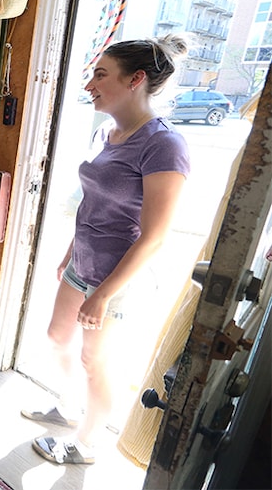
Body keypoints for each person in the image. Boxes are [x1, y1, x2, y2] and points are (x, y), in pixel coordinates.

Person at [24, 35, 191, 465]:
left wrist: (103, 293)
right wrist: (70, 250)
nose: (89, 84)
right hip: (82, 263)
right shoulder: (107, 131)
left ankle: (85, 443)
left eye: (100, 74)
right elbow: (92, 201)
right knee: (57, 337)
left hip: (117, 281)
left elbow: (154, 236)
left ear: (135, 79)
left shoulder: (163, 145)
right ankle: (67, 406)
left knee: (95, 361)